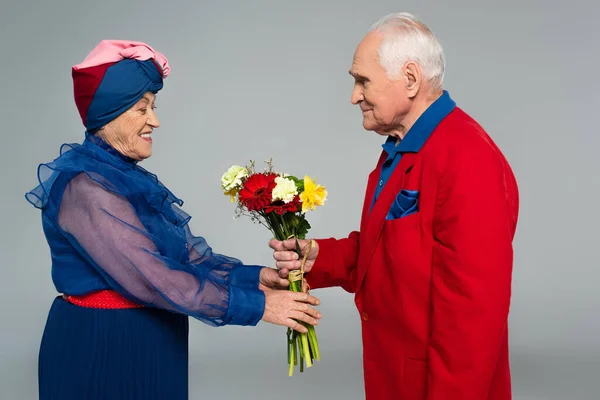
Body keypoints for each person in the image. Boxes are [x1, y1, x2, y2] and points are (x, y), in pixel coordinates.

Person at [25, 40, 321, 400]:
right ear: (109, 114)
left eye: (153, 106)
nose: (155, 120)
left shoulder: (121, 176)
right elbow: (153, 277)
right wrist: (260, 306)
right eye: (141, 108)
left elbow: (188, 258)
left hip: (150, 336)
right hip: (104, 345)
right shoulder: (85, 187)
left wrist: (259, 278)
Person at [270, 12, 519, 400]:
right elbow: (389, 251)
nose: (354, 95)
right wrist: (320, 256)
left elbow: (474, 323)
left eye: (362, 80)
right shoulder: (403, 152)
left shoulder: (468, 158)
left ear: (410, 79)